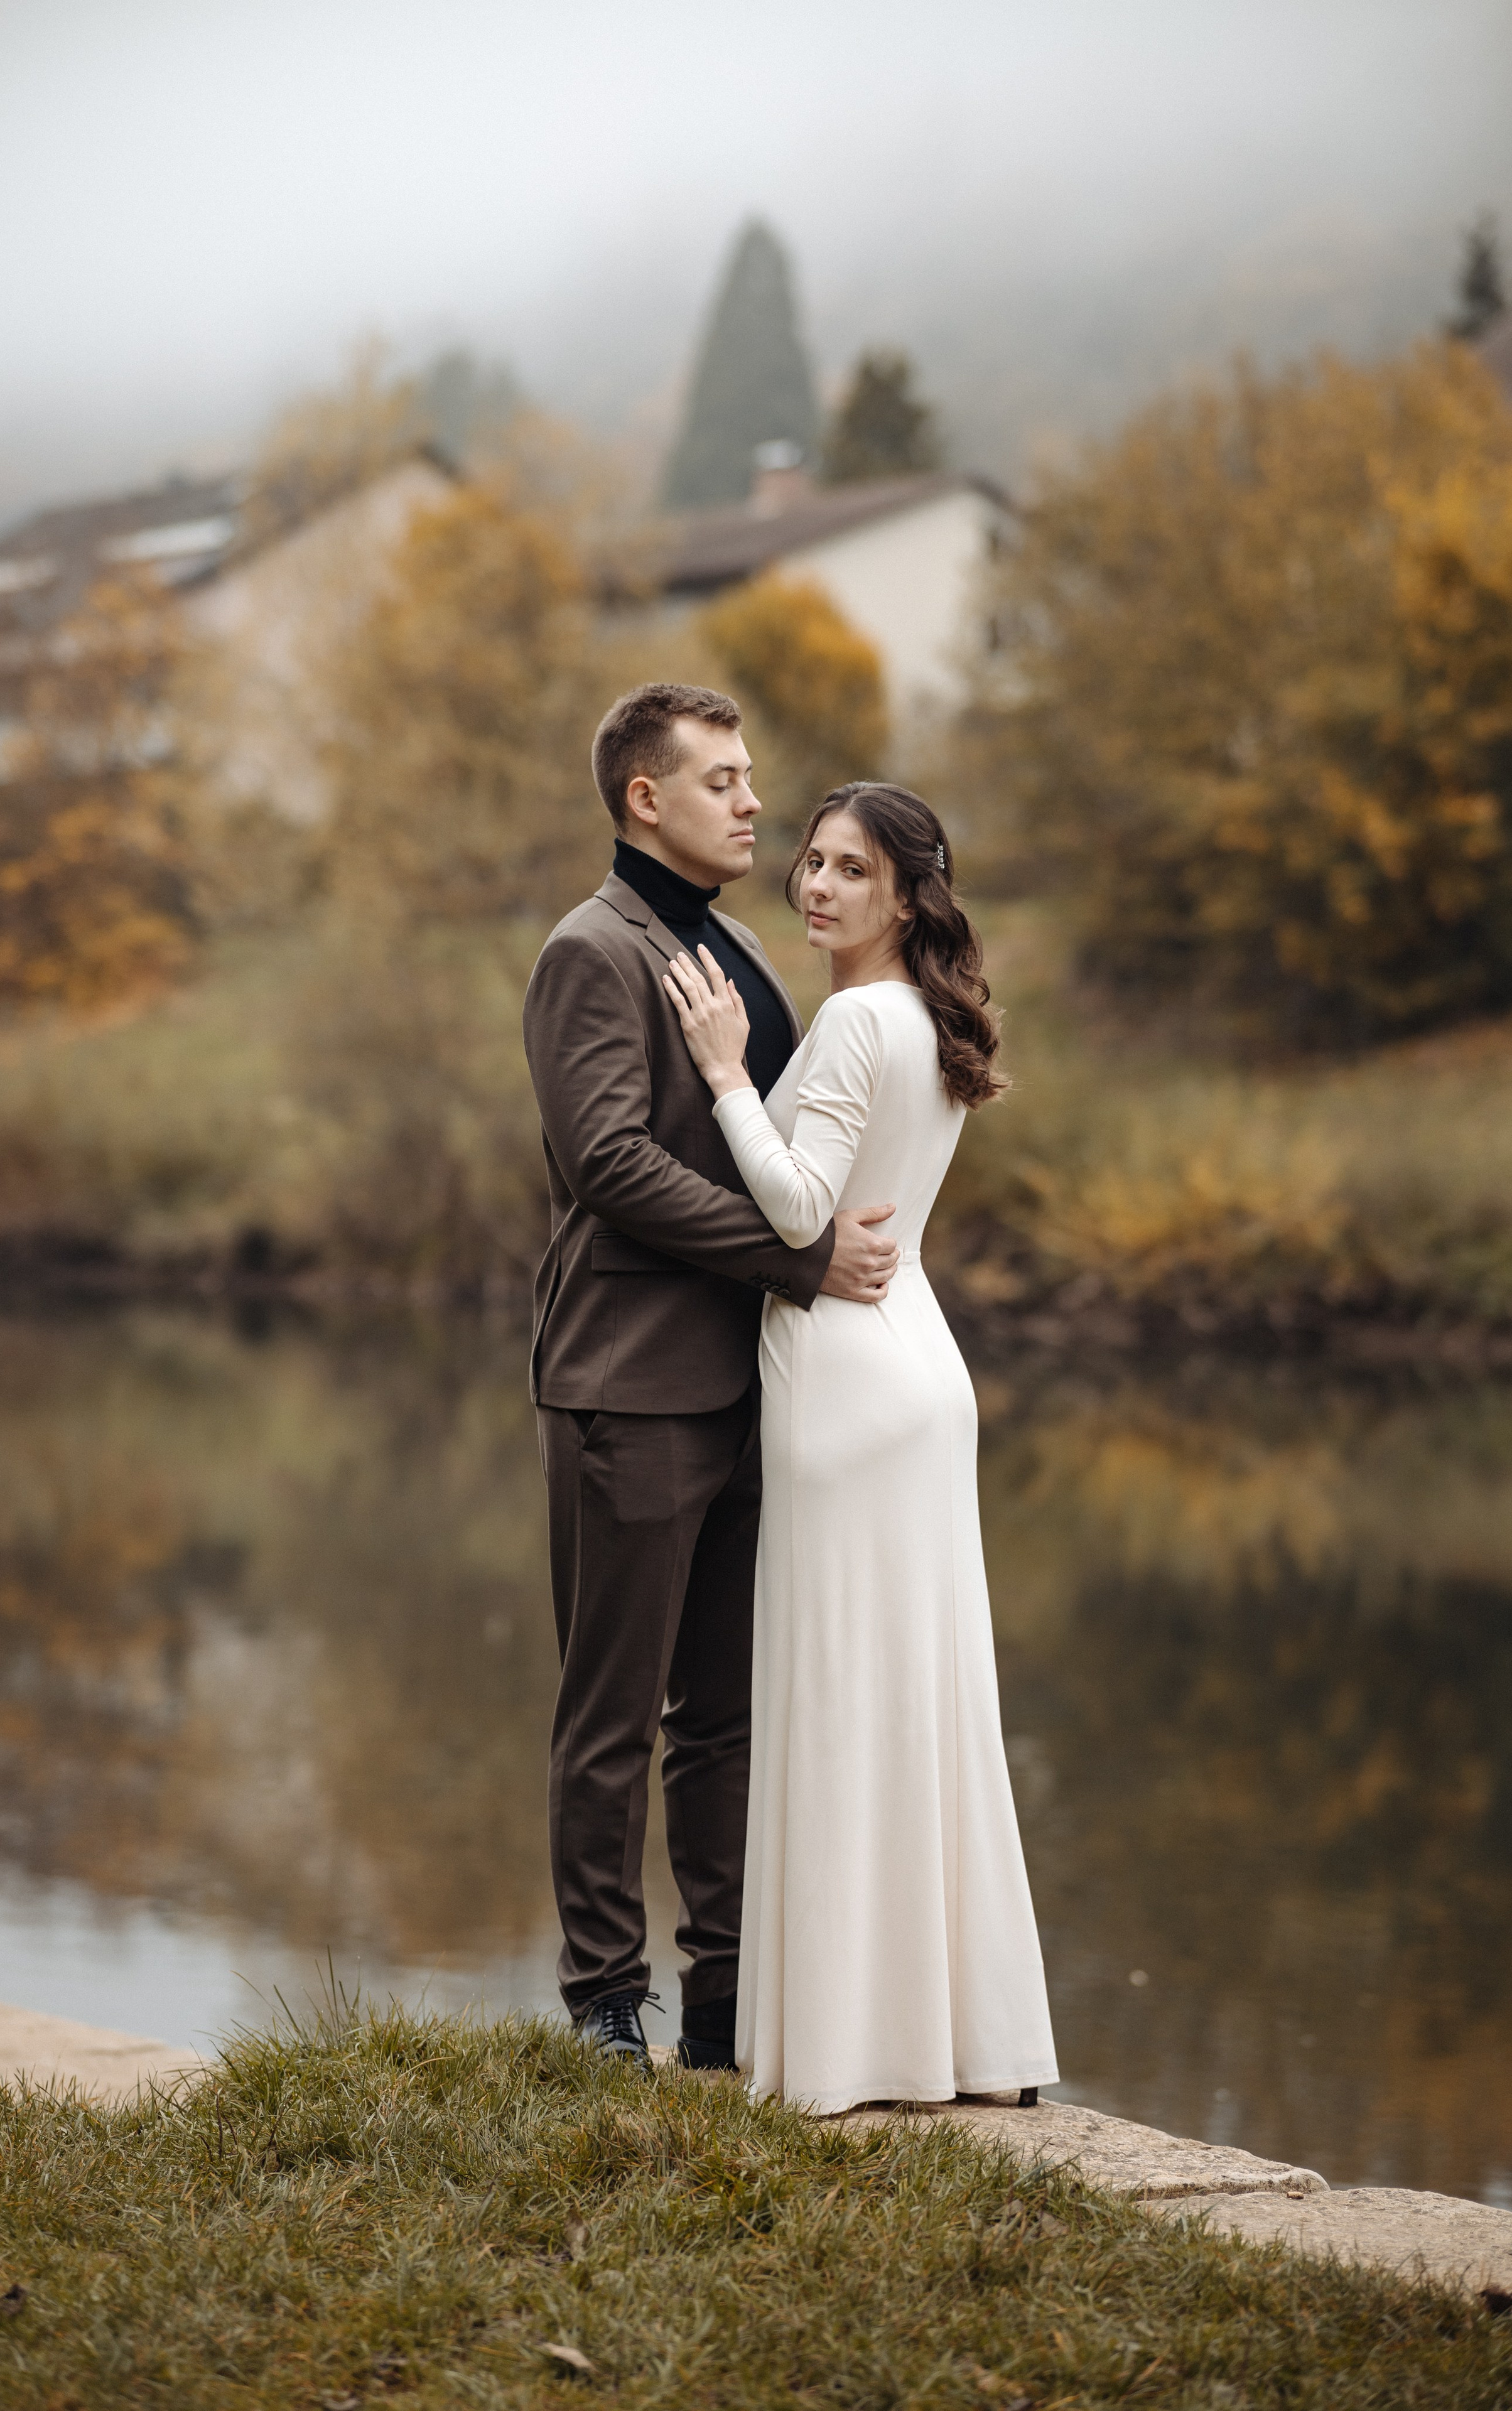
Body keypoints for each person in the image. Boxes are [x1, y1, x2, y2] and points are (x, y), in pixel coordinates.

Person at [521, 685, 902, 2071]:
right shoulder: (589, 952)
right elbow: (609, 1165)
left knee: (727, 1721)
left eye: (748, 778)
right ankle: (603, 2006)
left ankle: (727, 2008)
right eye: (723, 780)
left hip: (757, 1391)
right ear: (646, 798)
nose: (753, 803)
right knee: (611, 1718)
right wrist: (800, 1261)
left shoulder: (735, 945)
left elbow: (779, 1150)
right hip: (627, 1386)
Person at [662, 781, 1057, 2112]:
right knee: (923, 1712)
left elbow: (796, 1209)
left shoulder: (852, 1021)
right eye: (813, 862)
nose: (818, 887)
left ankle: (845, 2050)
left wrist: (726, 1072)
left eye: (851, 871)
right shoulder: (929, 1021)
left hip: (845, 1385)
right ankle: (952, 2042)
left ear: (905, 896)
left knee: (840, 1705)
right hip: (921, 1375)